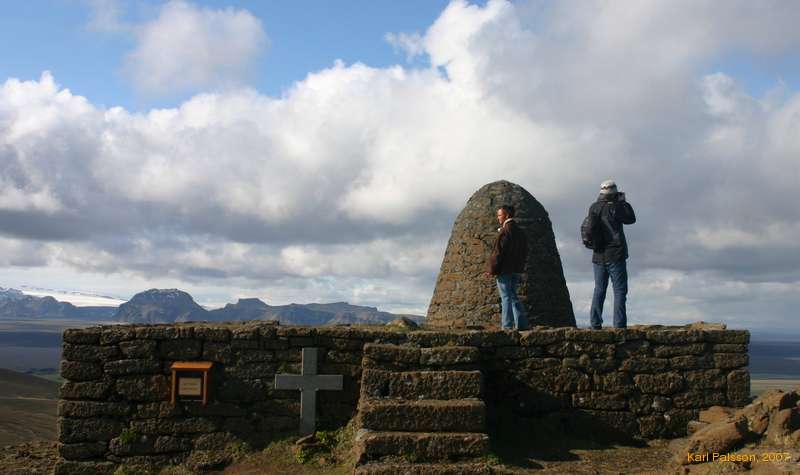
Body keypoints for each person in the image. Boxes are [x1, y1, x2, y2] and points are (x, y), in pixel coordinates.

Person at [583, 180, 636, 329]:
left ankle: (595, 324)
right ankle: (619, 326)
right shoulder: (616, 207)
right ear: (614, 192)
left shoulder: (593, 207)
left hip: (598, 255)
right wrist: (623, 202)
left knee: (599, 290)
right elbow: (631, 219)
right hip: (616, 255)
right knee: (619, 291)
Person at [485, 205, 529, 330]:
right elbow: (524, 251)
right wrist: (520, 266)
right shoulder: (520, 232)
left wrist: (491, 270)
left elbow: (498, 252)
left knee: (505, 297)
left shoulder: (505, 231)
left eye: (500, 215)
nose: (498, 217)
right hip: (516, 269)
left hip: (504, 270)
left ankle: (507, 326)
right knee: (513, 296)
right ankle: (522, 325)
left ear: (507, 215)